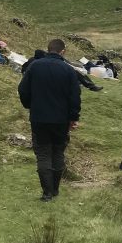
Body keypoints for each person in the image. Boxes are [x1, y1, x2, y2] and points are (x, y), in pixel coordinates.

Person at [17, 38, 81, 201]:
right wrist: (73, 117)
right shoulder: (68, 70)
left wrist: (29, 105)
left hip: (39, 118)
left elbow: (23, 89)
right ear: (63, 51)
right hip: (61, 120)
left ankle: (47, 192)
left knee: (43, 153)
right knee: (58, 152)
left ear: (48, 49)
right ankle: (55, 189)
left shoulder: (34, 66)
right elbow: (75, 97)